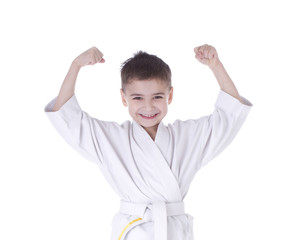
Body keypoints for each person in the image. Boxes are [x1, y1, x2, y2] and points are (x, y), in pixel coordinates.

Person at [44, 44, 252, 240]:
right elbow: (67, 116)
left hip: (173, 231)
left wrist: (216, 66)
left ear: (170, 96)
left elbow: (229, 115)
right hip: (134, 230)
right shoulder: (112, 139)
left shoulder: (187, 136)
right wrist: (76, 65)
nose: (148, 107)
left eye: (157, 97)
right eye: (137, 98)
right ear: (123, 98)